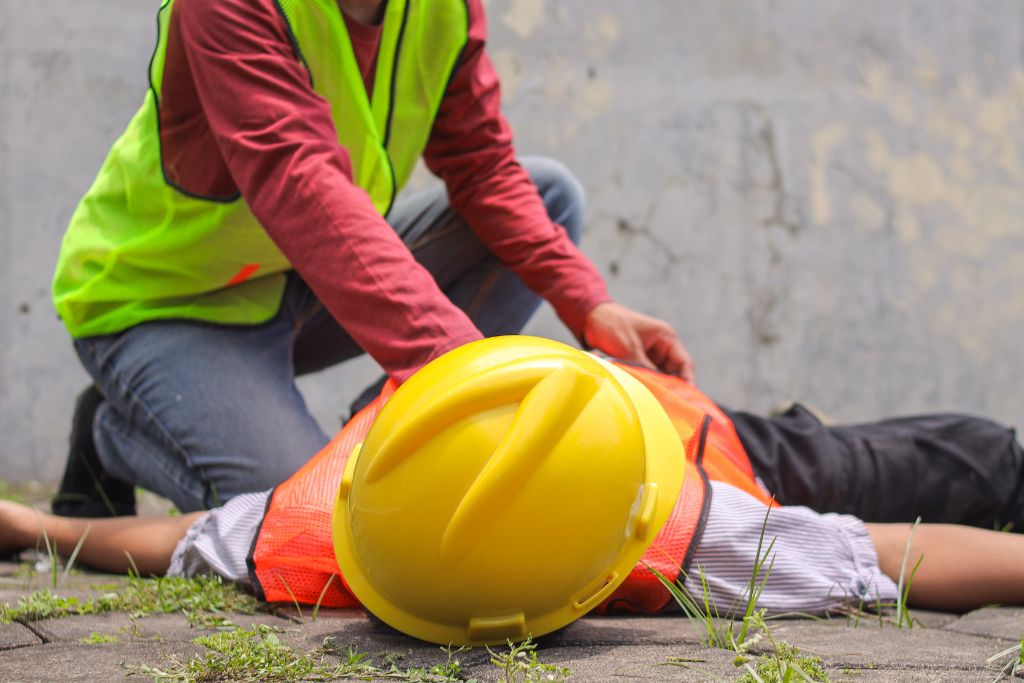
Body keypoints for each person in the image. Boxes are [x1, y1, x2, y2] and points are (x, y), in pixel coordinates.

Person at [49, 0, 693, 518]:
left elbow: (484, 167)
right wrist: (465, 375)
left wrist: (590, 300)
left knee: (548, 193)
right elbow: (298, 181)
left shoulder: (443, 9)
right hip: (163, 302)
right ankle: (113, 432)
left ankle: (386, 443)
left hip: (302, 277)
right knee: (313, 515)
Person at [6, 337, 1024, 645]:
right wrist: (30, 526)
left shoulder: (324, 525)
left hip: (677, 425)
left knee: (981, 457)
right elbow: (891, 556)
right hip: (672, 441)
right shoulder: (682, 538)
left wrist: (29, 527)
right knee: (980, 458)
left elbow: (177, 538)